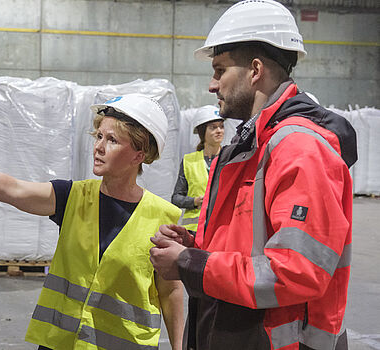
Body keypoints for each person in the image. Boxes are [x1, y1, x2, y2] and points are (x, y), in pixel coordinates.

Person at [148, 1, 358, 349]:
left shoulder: (299, 150)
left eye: (219, 70)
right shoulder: (254, 146)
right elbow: (250, 247)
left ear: (255, 70)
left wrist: (189, 264)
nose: (212, 85)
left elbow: (296, 271)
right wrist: (195, 247)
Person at [0, 94, 185, 349]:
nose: (98, 147)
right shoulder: (74, 197)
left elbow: (170, 292)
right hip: (61, 343)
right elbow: (13, 189)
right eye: (98, 136)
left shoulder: (162, 217)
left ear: (139, 154)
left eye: (112, 140)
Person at [171, 106, 224, 231]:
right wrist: (194, 201)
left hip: (221, 228)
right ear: (202, 132)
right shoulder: (189, 161)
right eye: (213, 127)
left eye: (221, 126)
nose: (219, 131)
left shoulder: (229, 158)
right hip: (194, 230)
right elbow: (176, 198)